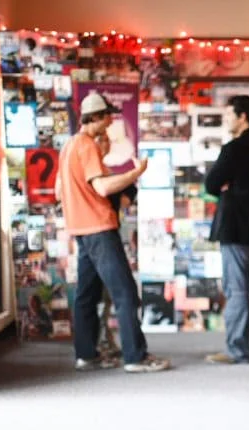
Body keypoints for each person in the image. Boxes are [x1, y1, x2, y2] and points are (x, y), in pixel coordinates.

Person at [58, 92, 170, 373]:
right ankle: (135, 357)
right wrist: (137, 172)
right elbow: (103, 188)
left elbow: (61, 190)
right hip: (99, 227)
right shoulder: (86, 145)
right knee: (125, 292)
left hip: (81, 229)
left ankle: (86, 355)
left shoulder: (69, 146)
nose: (110, 122)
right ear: (96, 117)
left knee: (86, 294)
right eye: (107, 117)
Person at [204, 95, 249, 364]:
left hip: (235, 228)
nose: (226, 120)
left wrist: (229, 186)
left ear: (242, 116)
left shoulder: (233, 149)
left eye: (228, 115)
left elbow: (211, 184)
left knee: (237, 290)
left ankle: (238, 350)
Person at [93, 130, 138, 359]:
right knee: (111, 293)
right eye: (100, 139)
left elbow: (127, 195)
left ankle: (101, 343)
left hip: (104, 232)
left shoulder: (107, 172)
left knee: (108, 295)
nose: (105, 144)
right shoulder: (91, 173)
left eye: (106, 139)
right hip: (97, 235)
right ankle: (104, 344)